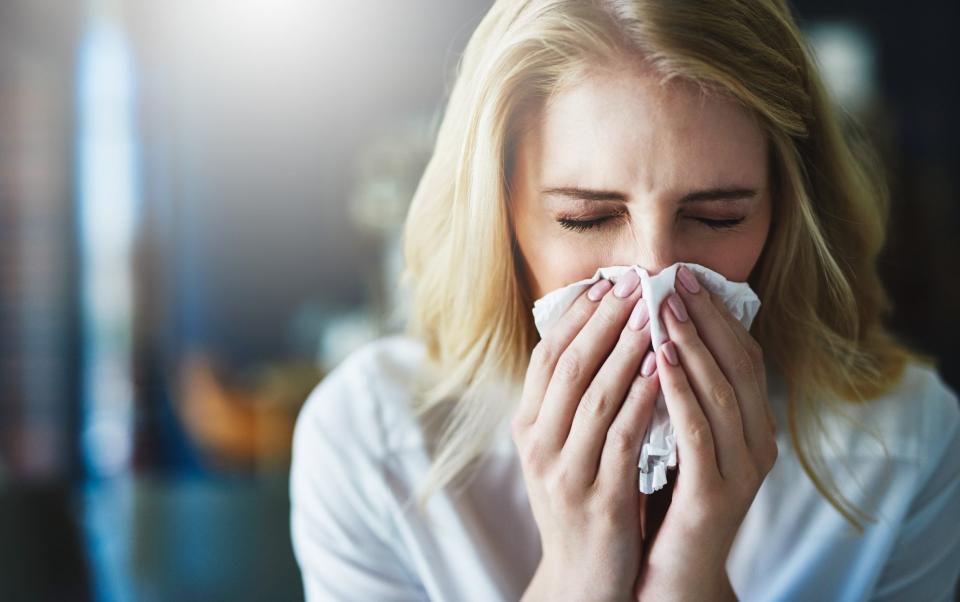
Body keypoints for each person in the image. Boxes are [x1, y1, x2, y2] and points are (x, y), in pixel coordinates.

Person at [289, 0, 960, 599]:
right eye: (587, 218)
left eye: (719, 217)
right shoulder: (373, 447)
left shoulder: (904, 451)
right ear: (499, 220)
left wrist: (691, 573)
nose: (654, 273)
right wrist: (577, 573)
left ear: (784, 216)